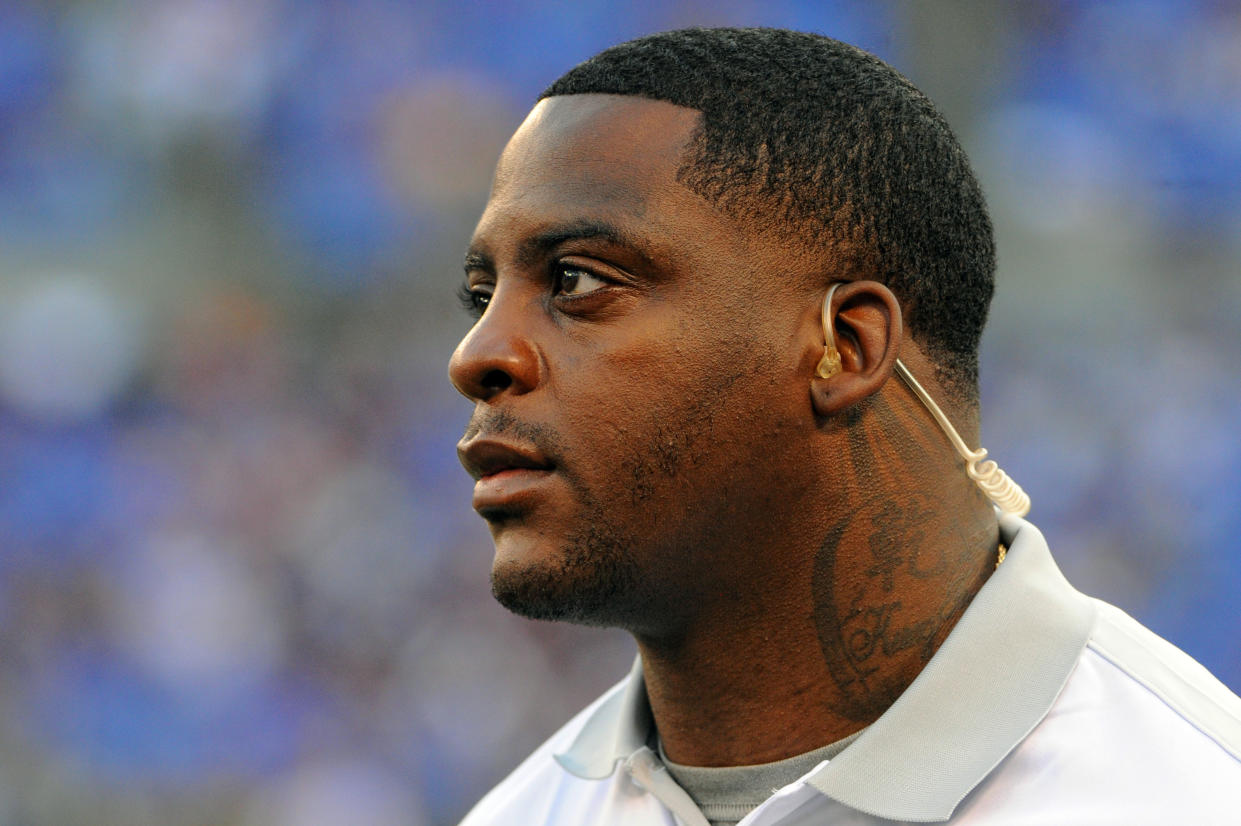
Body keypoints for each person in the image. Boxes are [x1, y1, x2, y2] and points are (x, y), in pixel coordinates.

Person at [447, 27, 1241, 825]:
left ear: (845, 346)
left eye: (577, 279)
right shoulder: (525, 813)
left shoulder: (1188, 793)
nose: (476, 355)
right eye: (481, 297)